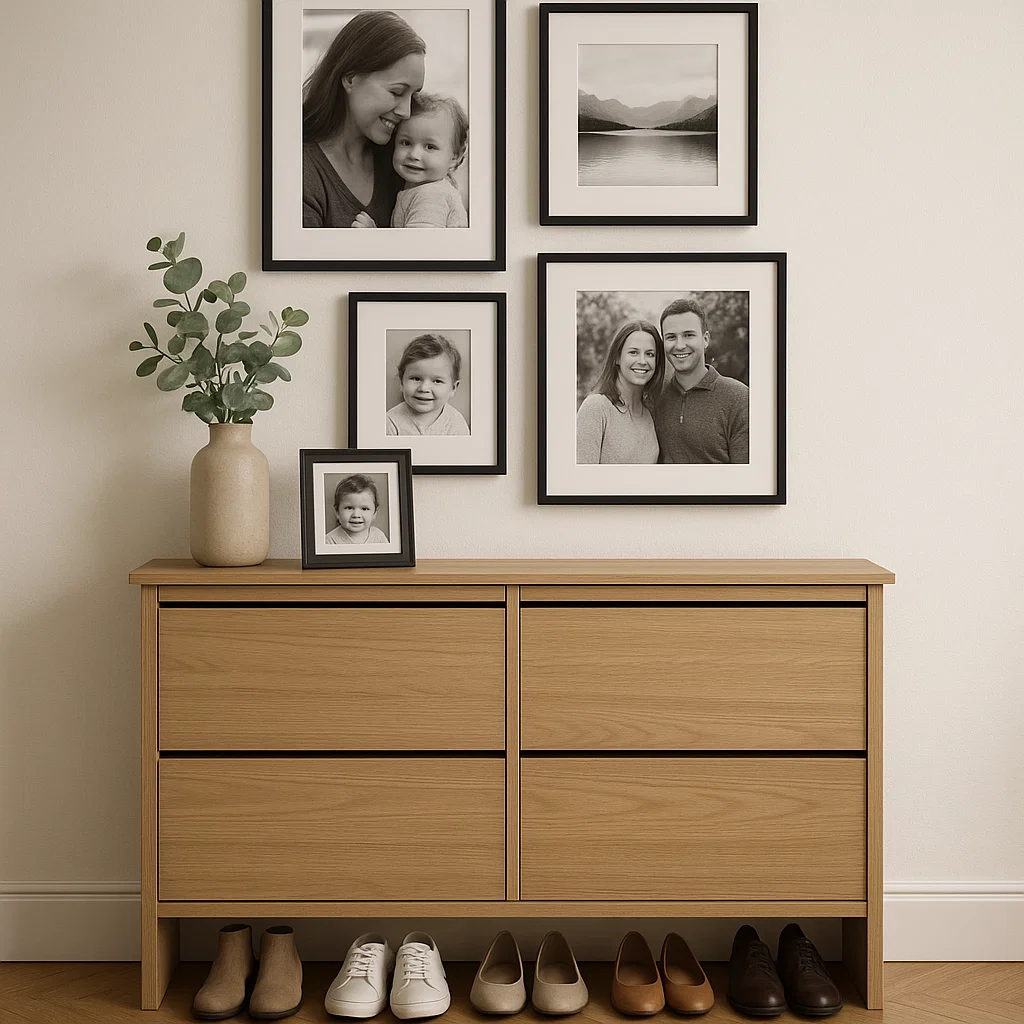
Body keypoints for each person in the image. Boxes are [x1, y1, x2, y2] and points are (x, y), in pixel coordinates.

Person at [302, 11, 426, 228]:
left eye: (413, 96)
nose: (406, 112)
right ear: (350, 78)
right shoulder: (300, 171)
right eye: (397, 92)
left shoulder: (403, 162)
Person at [654, 298, 749, 464]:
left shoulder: (739, 398)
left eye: (689, 335)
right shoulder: (655, 398)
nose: (680, 345)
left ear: (705, 339)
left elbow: (748, 480)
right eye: (671, 337)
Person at [576, 319, 664, 464]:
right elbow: (580, 479)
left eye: (650, 354)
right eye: (633, 352)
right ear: (617, 357)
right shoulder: (596, 408)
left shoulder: (651, 412)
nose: (642, 361)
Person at [389, 93, 469, 227]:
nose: (414, 155)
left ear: (455, 157)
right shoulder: (424, 190)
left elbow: (419, 246)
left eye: (430, 147)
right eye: (406, 143)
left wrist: (373, 237)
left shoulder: (431, 197)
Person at [386, 333, 470, 435]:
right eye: (416, 378)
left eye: (437, 381)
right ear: (401, 382)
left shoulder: (456, 424)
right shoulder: (390, 422)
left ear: (453, 388)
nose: (424, 388)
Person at [325, 475, 389, 545]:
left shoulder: (379, 537)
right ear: (337, 512)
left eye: (364, 509)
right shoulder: (329, 541)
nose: (356, 515)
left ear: (374, 513)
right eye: (349, 508)